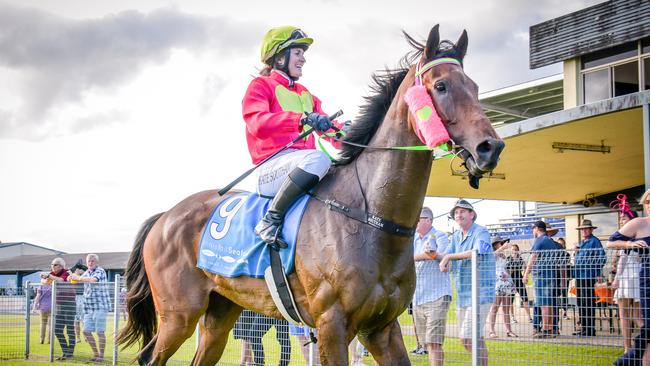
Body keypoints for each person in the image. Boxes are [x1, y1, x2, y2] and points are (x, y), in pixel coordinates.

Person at [242, 26, 341, 249]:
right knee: (318, 159)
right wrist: (302, 119)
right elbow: (257, 123)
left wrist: (352, 132)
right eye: (298, 53)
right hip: (270, 167)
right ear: (279, 58)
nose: (303, 59)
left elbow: (330, 129)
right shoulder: (260, 86)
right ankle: (269, 220)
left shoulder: (307, 94)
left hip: (301, 163)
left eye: (303, 54)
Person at [439, 199, 495, 366]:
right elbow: (445, 255)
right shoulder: (456, 236)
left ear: (472, 214)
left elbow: (476, 252)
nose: (459, 214)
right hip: (463, 295)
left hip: (481, 294)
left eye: (463, 211)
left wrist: (449, 257)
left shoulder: (481, 232)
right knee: (475, 338)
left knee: (466, 338)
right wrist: (435, 254)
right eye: (456, 213)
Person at [610, 188, 650, 366]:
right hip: (647, 277)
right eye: (647, 202)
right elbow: (612, 241)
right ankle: (628, 360)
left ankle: (628, 361)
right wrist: (629, 243)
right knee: (648, 327)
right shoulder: (639, 223)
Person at [412, 207, 452, 366]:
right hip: (418, 297)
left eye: (419, 218)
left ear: (429, 220)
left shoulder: (440, 236)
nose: (415, 221)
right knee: (426, 344)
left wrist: (413, 257)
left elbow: (437, 255)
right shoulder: (413, 238)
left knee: (434, 343)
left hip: (437, 295)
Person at [69, 254, 111, 363]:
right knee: (86, 331)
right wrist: (71, 277)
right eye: (89, 261)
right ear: (87, 263)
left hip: (100, 306)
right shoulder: (86, 272)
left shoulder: (100, 271)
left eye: (92, 261)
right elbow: (77, 279)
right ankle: (95, 354)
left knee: (100, 332)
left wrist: (78, 277)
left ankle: (101, 356)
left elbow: (93, 280)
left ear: (96, 262)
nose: (90, 263)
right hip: (88, 307)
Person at [523, 220, 558, 338]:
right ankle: (551, 328)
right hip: (550, 274)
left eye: (533, 229)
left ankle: (546, 329)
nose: (533, 231)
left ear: (537, 228)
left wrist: (526, 274)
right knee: (549, 303)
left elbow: (533, 257)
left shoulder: (539, 240)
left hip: (542, 275)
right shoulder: (550, 241)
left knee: (544, 304)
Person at [572, 219, 606, 337]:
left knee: (587, 302)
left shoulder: (594, 241)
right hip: (579, 276)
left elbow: (602, 258)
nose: (584, 231)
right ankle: (584, 328)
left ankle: (590, 329)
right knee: (581, 302)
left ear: (591, 230)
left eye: (586, 229)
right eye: (582, 229)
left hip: (588, 275)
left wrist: (597, 272)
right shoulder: (582, 242)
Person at [45, 257, 76, 360]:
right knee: (57, 330)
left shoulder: (66, 272)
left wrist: (48, 277)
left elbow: (62, 281)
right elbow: (44, 280)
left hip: (69, 304)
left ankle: (69, 353)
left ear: (61, 266)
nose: (52, 266)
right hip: (59, 305)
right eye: (51, 264)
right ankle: (65, 351)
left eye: (55, 265)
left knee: (70, 329)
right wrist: (46, 277)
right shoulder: (53, 273)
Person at [488, 235, 517, 339]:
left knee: (506, 309)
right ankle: (491, 331)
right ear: (496, 245)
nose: (503, 244)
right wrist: (502, 248)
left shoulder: (504, 256)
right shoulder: (493, 254)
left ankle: (509, 330)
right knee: (494, 308)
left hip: (506, 282)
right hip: (497, 283)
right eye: (501, 243)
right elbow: (491, 257)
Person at [507, 244, 532, 323]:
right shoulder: (508, 259)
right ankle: (512, 317)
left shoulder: (520, 259)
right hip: (511, 282)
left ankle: (529, 317)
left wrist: (525, 274)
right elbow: (507, 272)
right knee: (511, 300)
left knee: (525, 298)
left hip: (519, 281)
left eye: (515, 249)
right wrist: (512, 269)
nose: (514, 251)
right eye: (513, 250)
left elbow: (525, 267)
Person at [69, 261, 88, 344]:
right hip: (75, 298)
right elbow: (70, 272)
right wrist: (75, 271)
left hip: (84, 297)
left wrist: (81, 271)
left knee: (84, 320)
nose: (78, 270)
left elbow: (86, 270)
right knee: (76, 320)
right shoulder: (73, 275)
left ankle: (86, 337)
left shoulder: (85, 275)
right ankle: (78, 337)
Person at [32, 280, 52, 344]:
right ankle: (49, 340)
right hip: (51, 307)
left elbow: (37, 297)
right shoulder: (52, 286)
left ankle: (41, 339)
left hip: (43, 308)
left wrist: (34, 307)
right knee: (50, 325)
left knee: (43, 324)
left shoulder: (40, 287)